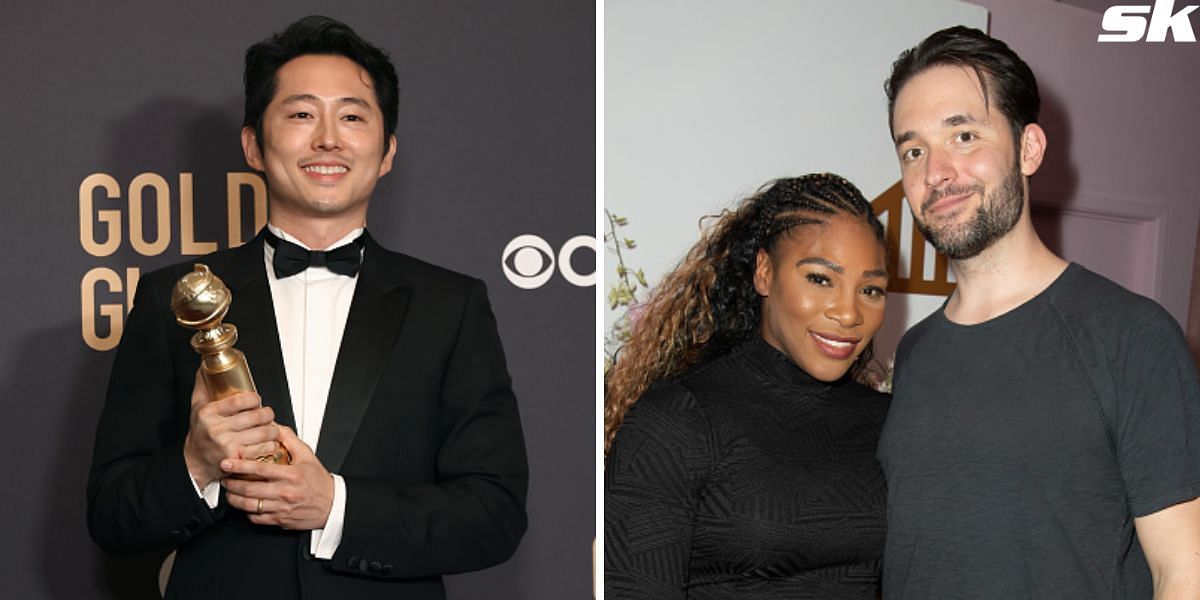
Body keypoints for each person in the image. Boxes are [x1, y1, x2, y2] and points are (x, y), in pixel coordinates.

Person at [86, 15, 528, 599]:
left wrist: (335, 507)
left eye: (351, 116)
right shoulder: (180, 298)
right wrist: (195, 465)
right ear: (253, 145)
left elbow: (494, 513)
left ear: (387, 150)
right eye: (300, 114)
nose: (328, 139)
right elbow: (111, 514)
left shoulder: (450, 306)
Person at [879, 25, 1200, 599]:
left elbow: (1185, 572)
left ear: (1029, 149)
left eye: (965, 136)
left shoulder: (1132, 336)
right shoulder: (915, 351)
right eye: (914, 150)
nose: (936, 173)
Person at [604, 173, 891, 598]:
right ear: (763, 273)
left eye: (870, 289)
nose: (849, 313)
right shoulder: (677, 422)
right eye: (820, 279)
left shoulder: (888, 421)